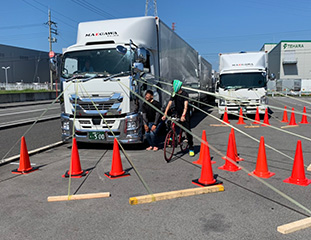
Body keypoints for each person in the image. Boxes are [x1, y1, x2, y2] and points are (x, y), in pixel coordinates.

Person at [162, 79, 195, 157]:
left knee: (187, 130)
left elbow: (185, 106)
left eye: (173, 86)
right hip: (177, 113)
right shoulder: (174, 94)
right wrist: (165, 113)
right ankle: (172, 136)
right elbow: (169, 103)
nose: (172, 88)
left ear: (177, 86)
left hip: (185, 114)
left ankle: (191, 147)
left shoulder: (185, 94)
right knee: (170, 123)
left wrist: (183, 115)